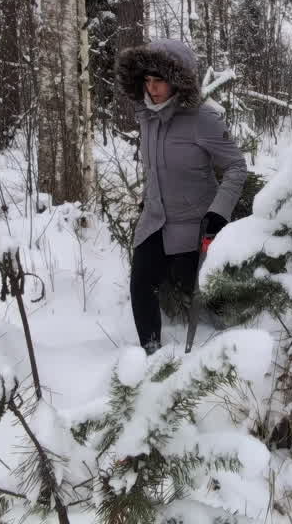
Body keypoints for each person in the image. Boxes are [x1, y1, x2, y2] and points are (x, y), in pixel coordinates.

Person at [116, 38, 247, 353]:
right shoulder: (146, 116)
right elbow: (156, 168)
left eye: (159, 80)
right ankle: (150, 356)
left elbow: (236, 167)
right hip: (156, 221)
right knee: (141, 284)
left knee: (201, 290)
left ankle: (235, 345)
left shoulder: (203, 119)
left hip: (194, 224)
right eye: (147, 80)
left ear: (177, 79)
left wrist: (218, 213)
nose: (152, 88)